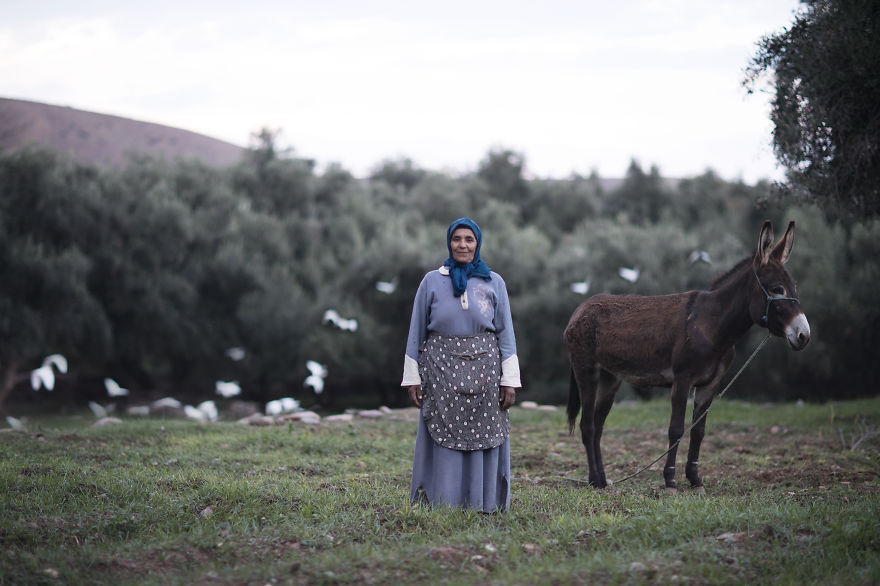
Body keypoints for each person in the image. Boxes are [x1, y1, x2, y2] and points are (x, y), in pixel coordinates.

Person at [401, 217, 522, 513]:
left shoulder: (494, 282)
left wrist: (509, 380)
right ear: (449, 243)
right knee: (441, 435)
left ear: (477, 243)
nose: (463, 245)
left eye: (469, 239)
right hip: (440, 372)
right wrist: (412, 377)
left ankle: (484, 502)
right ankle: (442, 502)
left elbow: (506, 333)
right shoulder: (432, 281)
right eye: (457, 239)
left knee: (485, 437)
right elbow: (416, 330)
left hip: (486, 372)